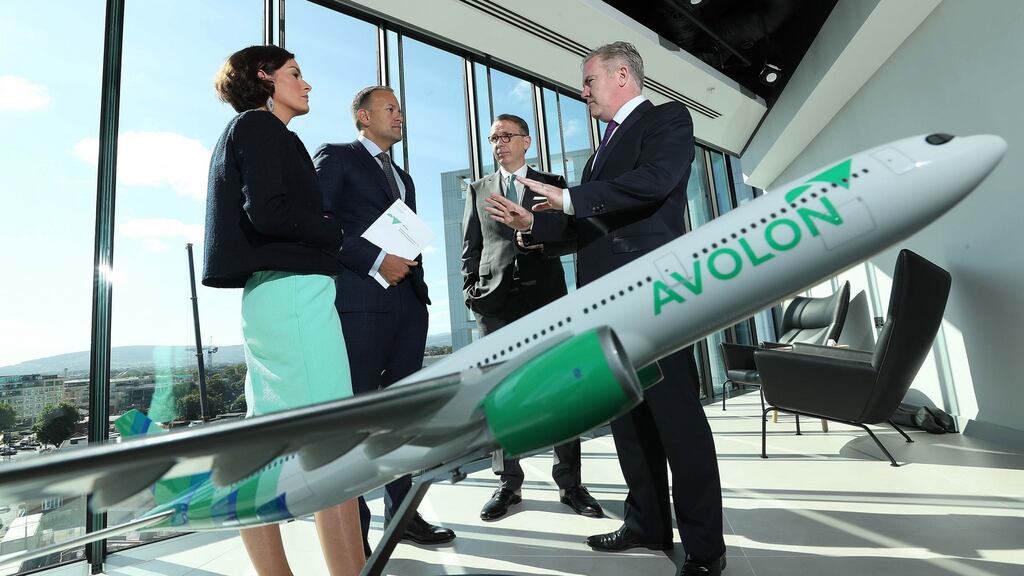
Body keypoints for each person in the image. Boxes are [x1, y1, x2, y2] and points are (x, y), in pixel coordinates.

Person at [485, 42, 727, 576]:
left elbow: (653, 185)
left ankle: (706, 548)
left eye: (589, 80)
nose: (583, 90)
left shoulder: (666, 120)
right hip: (602, 298)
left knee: (676, 418)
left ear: (622, 75)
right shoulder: (599, 150)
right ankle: (647, 522)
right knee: (627, 415)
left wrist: (568, 198)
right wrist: (534, 226)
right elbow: (591, 224)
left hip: (652, 295)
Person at [203, 45, 363, 576]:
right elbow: (269, 211)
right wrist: (335, 231)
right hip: (295, 296)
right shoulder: (261, 129)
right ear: (263, 76)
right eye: (296, 73)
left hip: (276, 295)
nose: (307, 83)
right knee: (332, 450)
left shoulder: (253, 132)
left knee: (264, 451)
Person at [312, 86, 456, 554]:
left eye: (400, 109)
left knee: (401, 417)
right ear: (362, 116)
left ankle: (405, 516)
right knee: (358, 416)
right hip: (360, 302)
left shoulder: (405, 177)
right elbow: (321, 224)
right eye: (389, 108)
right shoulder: (336, 157)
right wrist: (376, 260)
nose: (399, 115)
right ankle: (353, 530)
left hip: (408, 304)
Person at [463, 114, 603, 522]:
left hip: (546, 300)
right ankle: (508, 482)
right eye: (492, 138)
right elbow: (471, 247)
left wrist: (533, 233)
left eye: (506, 136)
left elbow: (572, 237)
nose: (498, 143)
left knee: (562, 391)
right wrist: (471, 291)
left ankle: (570, 484)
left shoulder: (552, 183)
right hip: (495, 306)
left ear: (527, 141)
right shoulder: (478, 189)